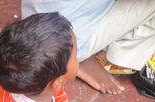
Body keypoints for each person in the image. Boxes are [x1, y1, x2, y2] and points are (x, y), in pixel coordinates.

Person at [22, 0, 155, 95]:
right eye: (74, 60)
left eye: (75, 59)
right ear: (58, 82)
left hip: (37, 16)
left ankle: (77, 52)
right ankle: (82, 54)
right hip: (73, 23)